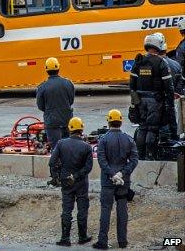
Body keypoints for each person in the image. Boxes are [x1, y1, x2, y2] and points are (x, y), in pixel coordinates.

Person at [93, 109, 138, 250]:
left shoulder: (103, 140)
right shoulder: (128, 139)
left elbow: (101, 159)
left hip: (108, 181)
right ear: (121, 122)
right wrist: (122, 173)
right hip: (123, 182)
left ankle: (102, 241)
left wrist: (112, 174)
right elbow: (134, 160)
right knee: (122, 210)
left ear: (108, 121)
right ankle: (122, 241)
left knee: (106, 210)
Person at [129, 33, 175, 159]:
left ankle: (140, 156)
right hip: (155, 101)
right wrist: (169, 104)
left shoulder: (138, 61)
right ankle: (151, 156)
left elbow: (132, 85)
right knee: (152, 129)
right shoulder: (161, 62)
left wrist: (134, 103)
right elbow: (169, 87)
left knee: (142, 127)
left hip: (140, 101)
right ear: (159, 45)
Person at [49, 117, 93, 247]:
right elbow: (88, 167)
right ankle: (82, 237)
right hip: (81, 182)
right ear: (82, 129)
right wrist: (76, 175)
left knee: (67, 209)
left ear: (70, 128)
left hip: (66, 181)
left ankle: (65, 238)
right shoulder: (86, 147)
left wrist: (59, 173)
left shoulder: (61, 143)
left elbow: (52, 162)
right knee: (82, 208)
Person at [36, 57, 75, 149]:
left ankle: (57, 163)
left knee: (56, 149)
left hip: (52, 123)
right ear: (58, 68)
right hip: (67, 120)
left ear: (46, 70)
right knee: (68, 148)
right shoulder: (68, 83)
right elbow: (71, 101)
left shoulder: (42, 87)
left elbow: (41, 106)